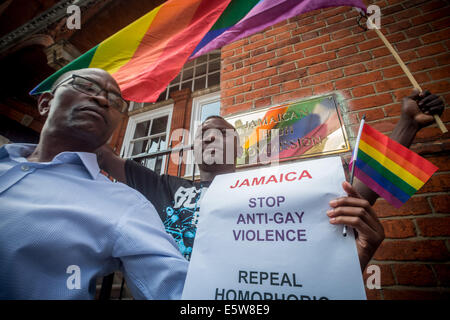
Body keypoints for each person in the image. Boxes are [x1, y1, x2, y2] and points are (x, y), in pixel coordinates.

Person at [96, 87, 445, 271]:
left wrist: (408, 124)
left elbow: (352, 198)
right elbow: (102, 155)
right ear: (192, 148)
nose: (209, 137)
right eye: (202, 133)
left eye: (221, 132)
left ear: (237, 147)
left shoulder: (271, 189)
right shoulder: (165, 188)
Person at [0, 68, 188, 299]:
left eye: (114, 101)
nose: (101, 99)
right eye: (85, 86)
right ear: (45, 103)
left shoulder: (125, 204)